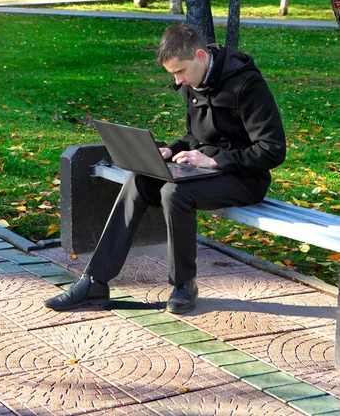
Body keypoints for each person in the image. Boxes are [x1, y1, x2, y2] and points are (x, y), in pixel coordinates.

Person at [45, 24, 286, 314]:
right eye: (172, 73)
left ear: (200, 56)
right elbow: (195, 136)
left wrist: (215, 161)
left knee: (175, 194)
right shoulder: (191, 82)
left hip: (245, 178)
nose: (178, 80)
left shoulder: (247, 85)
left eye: (180, 71)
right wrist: (171, 150)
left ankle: (184, 285)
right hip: (205, 171)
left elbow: (272, 149)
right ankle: (95, 281)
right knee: (139, 180)